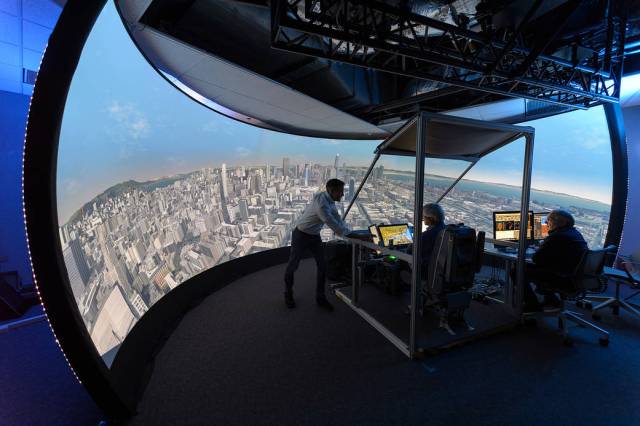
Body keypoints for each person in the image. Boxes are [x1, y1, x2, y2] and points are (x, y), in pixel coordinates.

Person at [283, 179, 359, 311]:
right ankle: (288, 294)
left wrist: (350, 231)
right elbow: (333, 225)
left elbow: (338, 219)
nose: (342, 194)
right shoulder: (322, 205)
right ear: (331, 191)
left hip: (314, 235)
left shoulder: (329, 199)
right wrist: (354, 236)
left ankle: (320, 297)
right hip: (301, 235)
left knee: (323, 266)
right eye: (340, 192)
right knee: (293, 265)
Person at [521, 209, 588, 311]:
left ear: (559, 222)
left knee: (517, 270)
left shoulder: (557, 236)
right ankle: (551, 299)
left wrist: (542, 247)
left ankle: (532, 304)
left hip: (564, 278)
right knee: (541, 267)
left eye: (549, 220)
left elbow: (536, 259)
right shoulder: (574, 233)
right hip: (575, 276)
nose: (546, 223)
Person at [419, 203, 446, 277]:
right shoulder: (446, 231)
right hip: (442, 271)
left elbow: (412, 252)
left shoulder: (427, 235)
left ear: (430, 218)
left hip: (428, 271)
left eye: (424, 216)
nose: (422, 218)